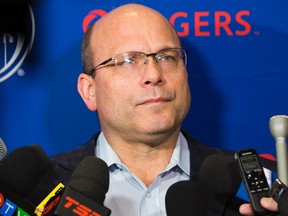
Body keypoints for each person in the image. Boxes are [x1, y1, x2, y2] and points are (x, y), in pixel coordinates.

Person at [27, 3, 277, 215]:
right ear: (89, 91)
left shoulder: (255, 188)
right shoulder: (37, 190)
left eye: (167, 57)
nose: (154, 75)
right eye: (126, 61)